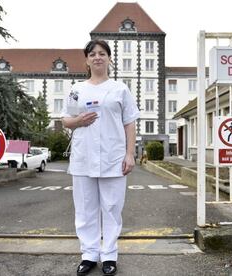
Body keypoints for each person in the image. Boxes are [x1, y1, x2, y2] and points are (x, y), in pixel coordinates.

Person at [61, 39, 139, 276]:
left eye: (102, 53)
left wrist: (129, 154)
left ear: (109, 59)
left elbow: (130, 122)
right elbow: (65, 120)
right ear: (87, 60)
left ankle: (109, 256)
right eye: (92, 53)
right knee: (85, 208)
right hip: (83, 157)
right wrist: (79, 121)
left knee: (112, 207)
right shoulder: (77, 89)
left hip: (113, 157)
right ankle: (89, 254)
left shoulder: (120, 89)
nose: (97, 57)